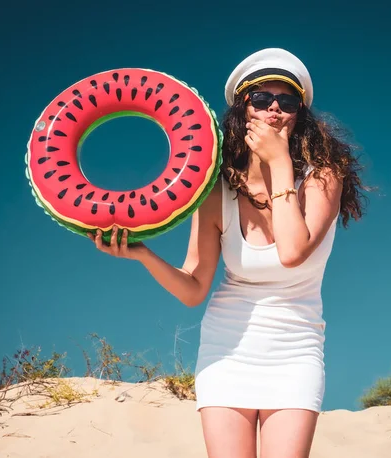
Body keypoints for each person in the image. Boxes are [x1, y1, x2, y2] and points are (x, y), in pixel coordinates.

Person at [88, 48, 368, 458]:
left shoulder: (324, 175)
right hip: (226, 350)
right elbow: (194, 288)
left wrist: (279, 164)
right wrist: (144, 255)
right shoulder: (218, 191)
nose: (274, 109)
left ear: (299, 115)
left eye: (287, 102)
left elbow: (292, 252)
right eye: (261, 99)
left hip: (296, 350)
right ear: (242, 110)